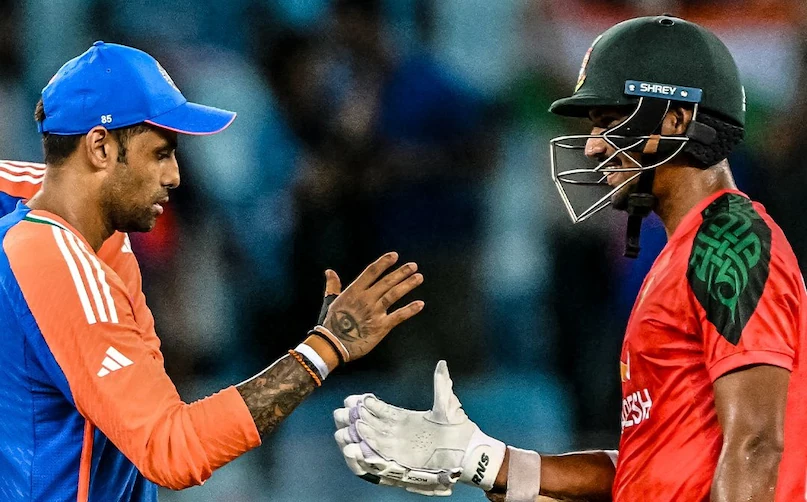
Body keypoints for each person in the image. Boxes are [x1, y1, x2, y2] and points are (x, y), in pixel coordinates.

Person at [332, 15, 807, 502]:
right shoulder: (685, 250)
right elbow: (650, 466)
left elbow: (756, 445)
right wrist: (483, 459)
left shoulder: (729, 242)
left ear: (676, 121)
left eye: (610, 122)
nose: (593, 145)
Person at [0, 41, 425, 501]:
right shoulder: (56, 261)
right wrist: (325, 348)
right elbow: (172, 450)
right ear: (100, 148)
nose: (174, 176)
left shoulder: (64, 220)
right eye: (159, 154)